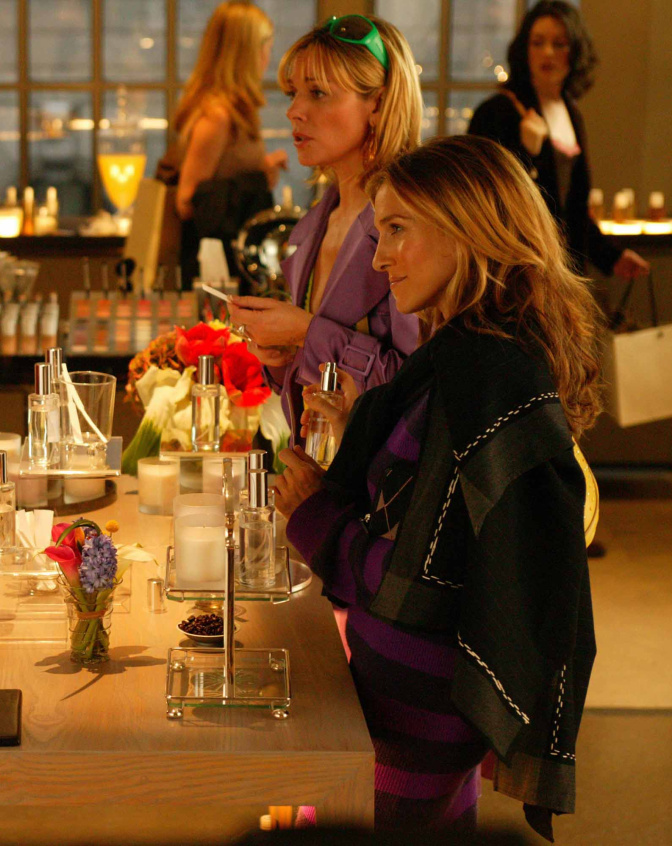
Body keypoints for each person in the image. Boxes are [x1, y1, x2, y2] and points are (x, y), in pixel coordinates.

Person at [275, 135, 600, 838]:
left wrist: (312, 513)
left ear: (469, 231)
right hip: (426, 699)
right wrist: (364, 430)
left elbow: (418, 583)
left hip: (418, 706)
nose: (380, 256)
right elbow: (443, 520)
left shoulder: (479, 375)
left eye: (398, 230)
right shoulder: (473, 357)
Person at [228, 15, 422, 452]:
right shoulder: (314, 224)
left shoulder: (414, 222)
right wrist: (282, 358)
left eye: (317, 93)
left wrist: (306, 334)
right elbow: (312, 391)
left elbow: (421, 390)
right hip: (321, 474)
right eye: (293, 93)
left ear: (378, 103)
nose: (294, 110)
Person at [468, 0, 648, 282]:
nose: (548, 52)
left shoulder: (571, 112)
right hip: (515, 273)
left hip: (563, 273)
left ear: (575, 51)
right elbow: (481, 200)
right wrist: (527, 152)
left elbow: (573, 209)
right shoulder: (496, 112)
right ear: (524, 50)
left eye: (559, 44)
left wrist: (612, 257)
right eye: (538, 42)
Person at [167, 1, 289, 287]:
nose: (268, 57)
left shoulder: (236, 111)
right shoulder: (217, 116)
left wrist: (262, 170)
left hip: (232, 263)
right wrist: (258, 178)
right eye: (265, 47)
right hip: (217, 270)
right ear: (245, 52)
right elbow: (186, 202)